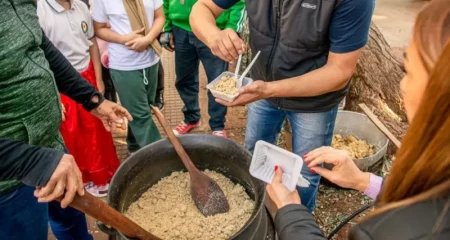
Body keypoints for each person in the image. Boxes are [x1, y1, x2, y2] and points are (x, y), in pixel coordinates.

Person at [266, 0, 450, 238]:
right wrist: (363, 181)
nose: (402, 86)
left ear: (440, 93)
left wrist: (290, 212)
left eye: (409, 72)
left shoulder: (383, 232)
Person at [190, 0, 375, 211]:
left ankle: (297, 225)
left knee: (306, 171)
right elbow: (201, 8)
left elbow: (339, 71)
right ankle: (257, 211)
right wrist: (214, 36)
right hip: (262, 88)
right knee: (253, 154)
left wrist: (269, 89)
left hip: (314, 101)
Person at [0, 1, 132, 239]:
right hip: (10, 183)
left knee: (71, 223)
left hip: (50, 147)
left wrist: (92, 99)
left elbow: (40, 45)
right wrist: (34, 162)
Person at [37, 0, 121, 197]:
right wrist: (53, 94)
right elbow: (40, 58)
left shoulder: (81, 7)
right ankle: (85, 178)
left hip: (87, 75)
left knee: (98, 128)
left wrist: (98, 79)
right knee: (74, 134)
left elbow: (91, 45)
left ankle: (104, 173)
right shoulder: (40, 11)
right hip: (60, 84)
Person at [162, 0, 246, 137]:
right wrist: (167, 27)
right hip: (180, 29)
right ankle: (191, 117)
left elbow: (239, 2)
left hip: (214, 30)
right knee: (184, 79)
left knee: (218, 83)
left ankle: (217, 125)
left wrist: (233, 27)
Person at [92, 0, 165, 153]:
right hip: (124, 64)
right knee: (141, 116)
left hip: (151, 60)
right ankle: (161, 157)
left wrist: (148, 38)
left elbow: (159, 16)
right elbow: (98, 28)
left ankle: (134, 145)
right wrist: (124, 39)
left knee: (144, 107)